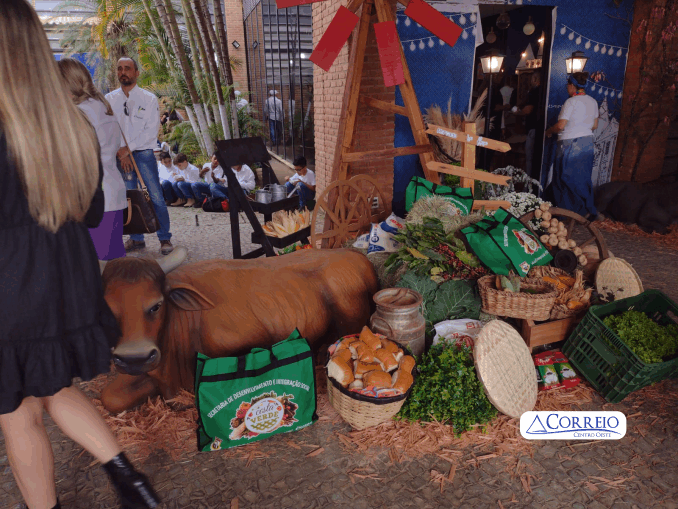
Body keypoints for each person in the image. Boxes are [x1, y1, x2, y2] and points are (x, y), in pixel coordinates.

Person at [0, 2, 161, 509]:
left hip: (10, 284)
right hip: (66, 278)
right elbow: (93, 212)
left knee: (17, 411)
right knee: (50, 385)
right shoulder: (70, 127)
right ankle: (128, 479)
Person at [58, 58, 128, 261]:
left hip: (93, 198)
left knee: (98, 269)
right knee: (112, 265)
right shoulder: (100, 105)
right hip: (111, 192)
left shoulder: (79, 113)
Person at [105, 57, 174, 255]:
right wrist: (121, 152)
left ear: (137, 73)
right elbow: (109, 128)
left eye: (127, 68)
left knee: (155, 196)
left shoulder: (149, 99)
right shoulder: (109, 99)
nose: (123, 72)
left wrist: (128, 149)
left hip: (143, 154)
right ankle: (136, 239)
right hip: (120, 157)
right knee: (128, 197)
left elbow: (150, 131)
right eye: (119, 69)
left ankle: (165, 238)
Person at [545, 72, 599, 218]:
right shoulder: (593, 101)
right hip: (587, 143)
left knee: (564, 178)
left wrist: (548, 131)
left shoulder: (571, 102)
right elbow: (594, 125)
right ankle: (584, 211)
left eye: (567, 85)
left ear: (571, 85)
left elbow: (561, 125)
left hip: (569, 143)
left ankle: (566, 214)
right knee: (581, 178)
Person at [514, 72, 543, 179]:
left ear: (535, 80)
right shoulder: (543, 91)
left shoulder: (534, 92)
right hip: (541, 128)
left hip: (533, 128)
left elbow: (528, 110)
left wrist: (518, 112)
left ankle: (529, 184)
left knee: (530, 158)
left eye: (531, 79)